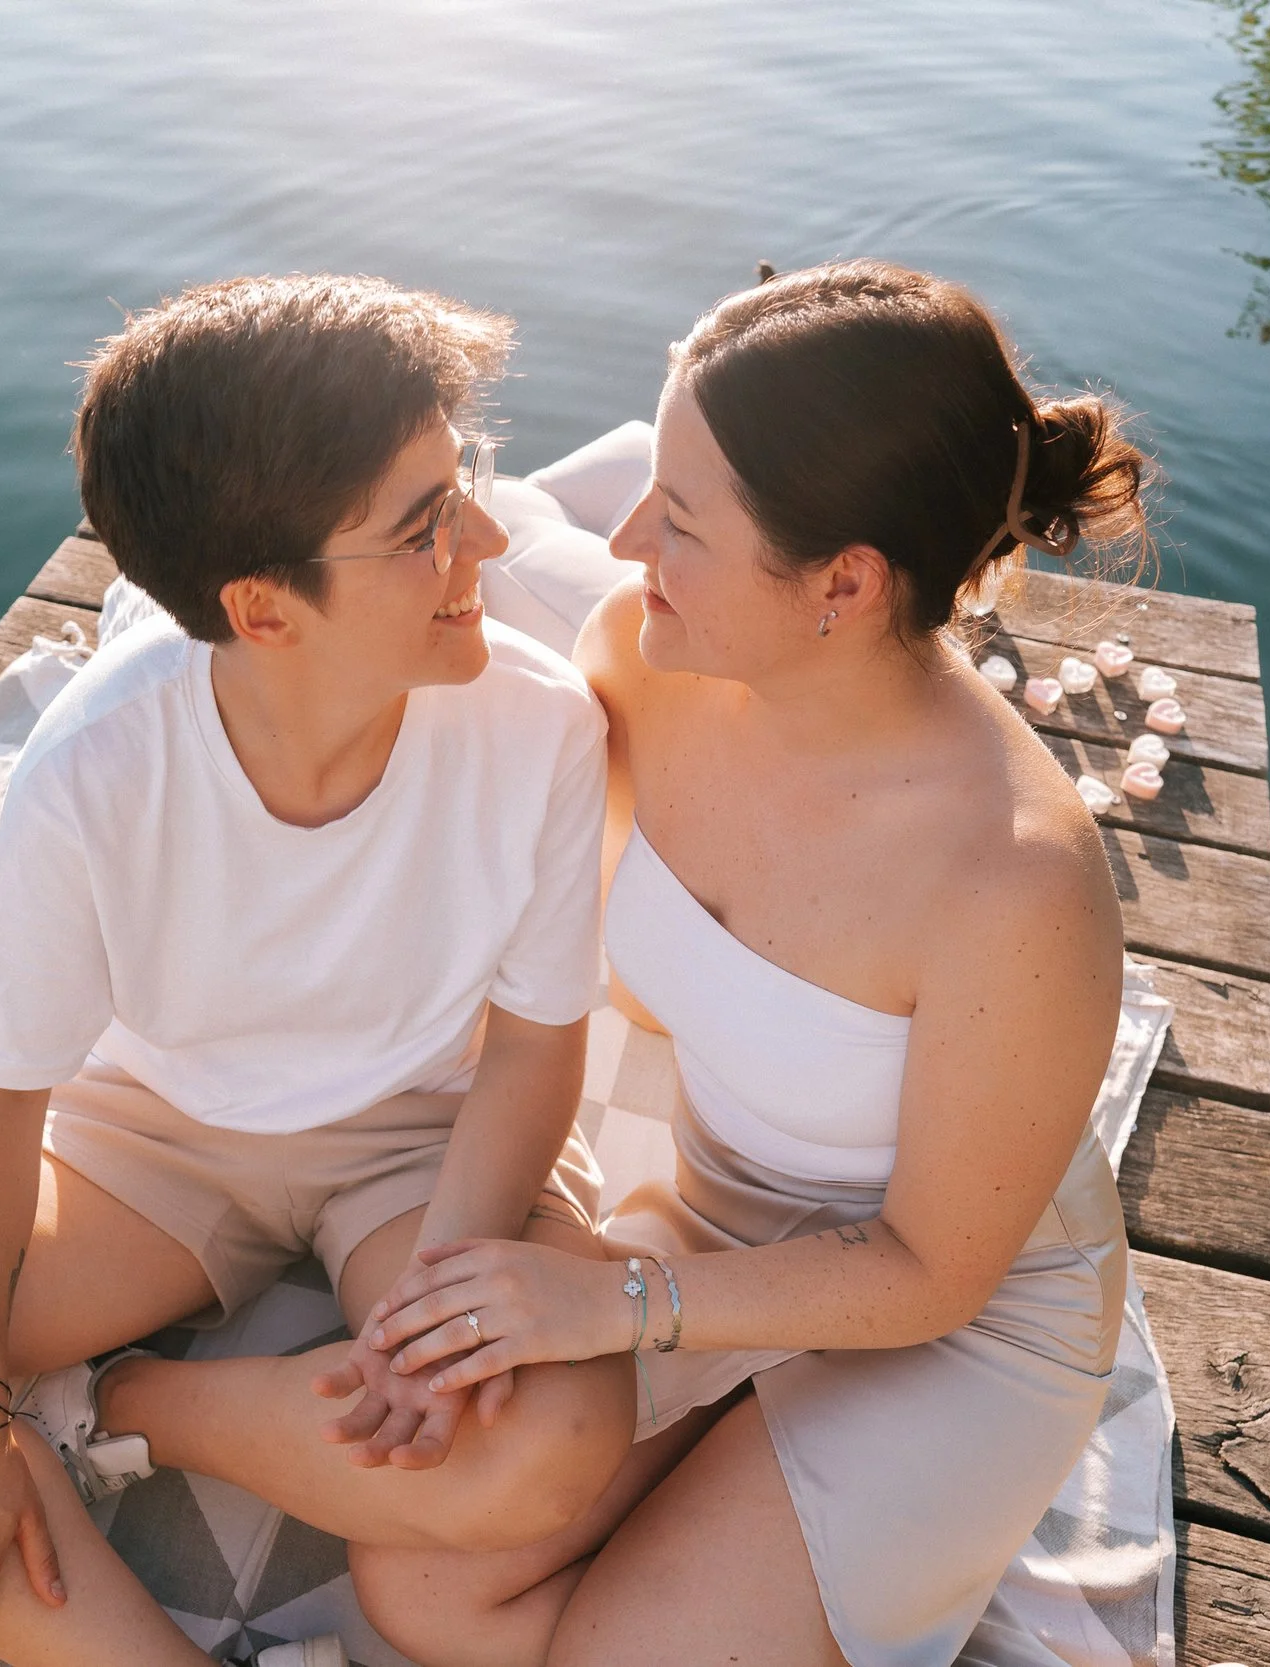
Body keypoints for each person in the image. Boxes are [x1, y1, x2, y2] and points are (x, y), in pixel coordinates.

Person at [0, 273, 637, 1665]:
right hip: (148, 1147)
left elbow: (530, 1048)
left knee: (548, 1446)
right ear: (264, 610)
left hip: (421, 1144)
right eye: (427, 523)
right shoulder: (94, 764)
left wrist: (436, 1299)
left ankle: (119, 1402)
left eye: (467, 486)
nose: (490, 542)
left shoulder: (542, 727)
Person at [348, 260, 1150, 1667]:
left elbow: (930, 1269)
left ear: (843, 580)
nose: (629, 535)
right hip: (715, 1218)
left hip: (947, 1309)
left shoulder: (1015, 880)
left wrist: (610, 1302)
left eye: (685, 520)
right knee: (421, 1580)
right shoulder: (644, 657)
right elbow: (495, 899)